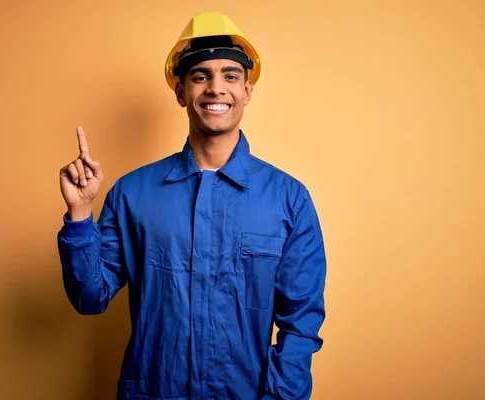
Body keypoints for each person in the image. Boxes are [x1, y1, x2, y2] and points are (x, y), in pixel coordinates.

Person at [57, 12, 327, 400]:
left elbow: (300, 323)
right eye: (201, 76)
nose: (216, 88)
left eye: (230, 76)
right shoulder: (132, 194)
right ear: (181, 91)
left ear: (247, 90)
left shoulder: (289, 200)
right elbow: (89, 298)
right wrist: (81, 214)